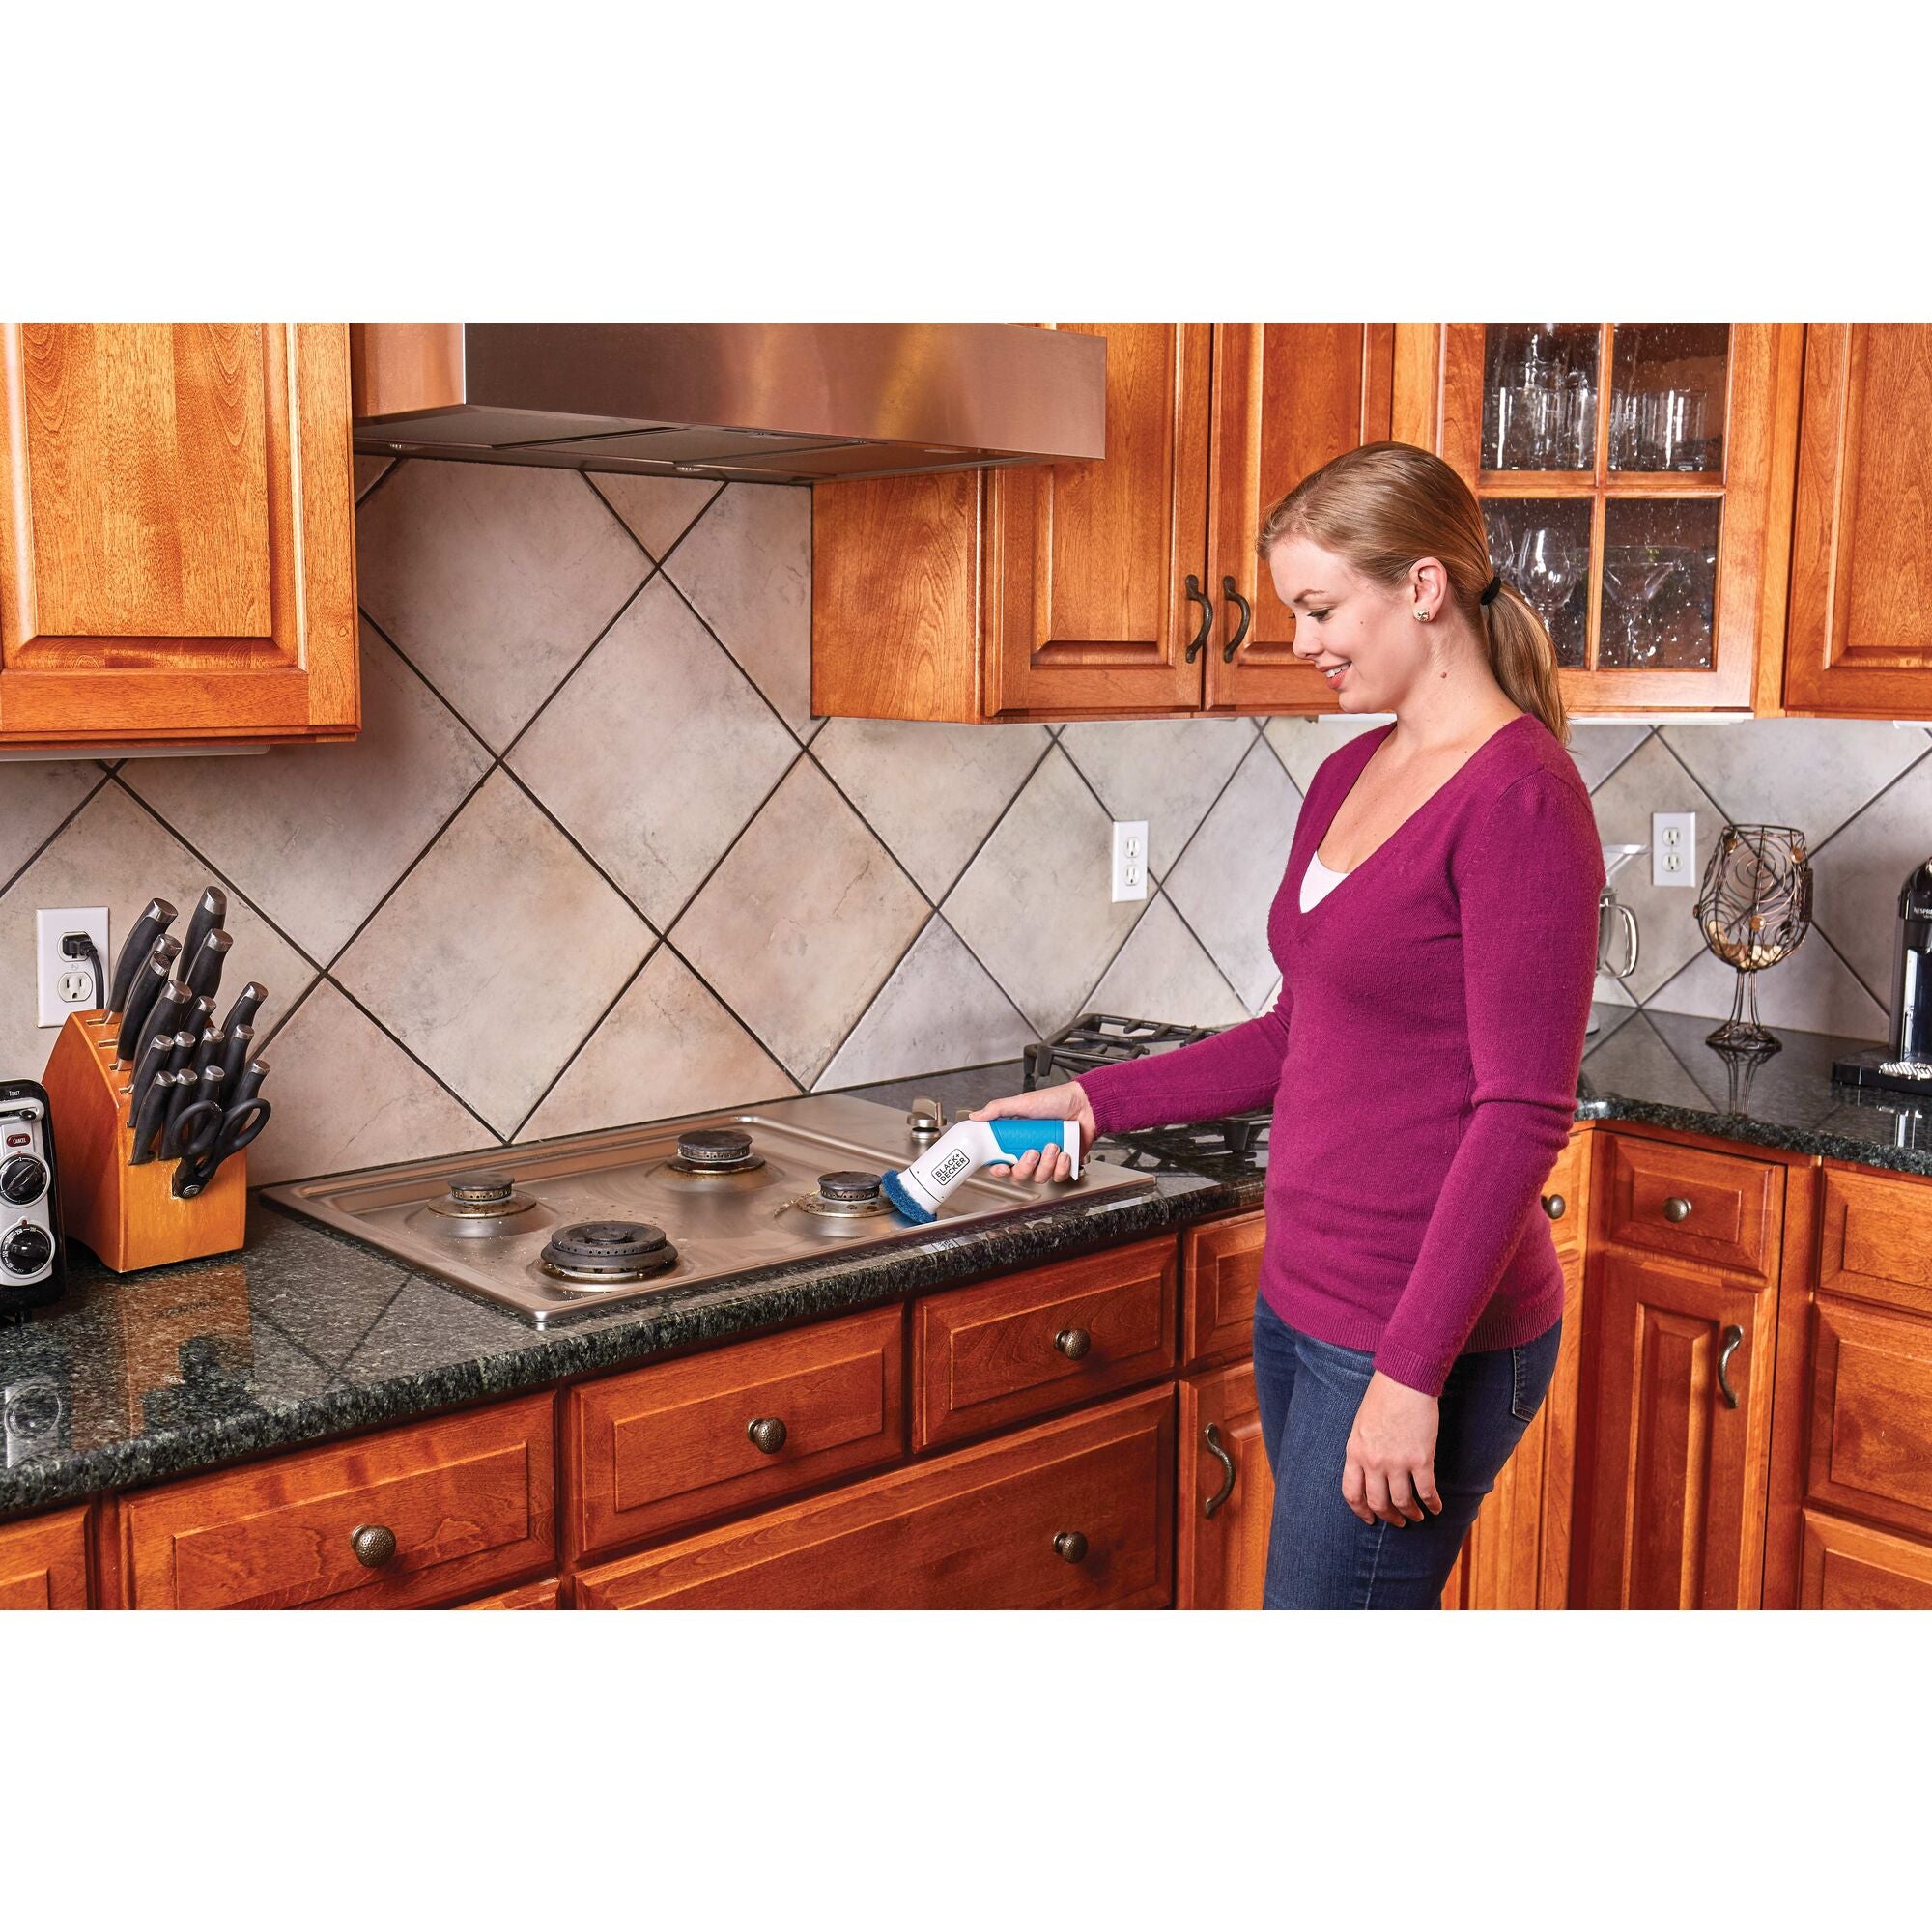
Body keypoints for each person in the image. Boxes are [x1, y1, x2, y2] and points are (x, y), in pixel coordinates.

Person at [967, 441, 1605, 1608]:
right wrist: (1090, 1099)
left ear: (1420, 586)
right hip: (1303, 1295)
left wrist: (1410, 1373)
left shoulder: (1521, 797)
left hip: (1427, 1336)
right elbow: (1293, 1035)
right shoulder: (1350, 772)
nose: (1300, 640)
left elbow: (1519, 1115)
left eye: (1319, 608)